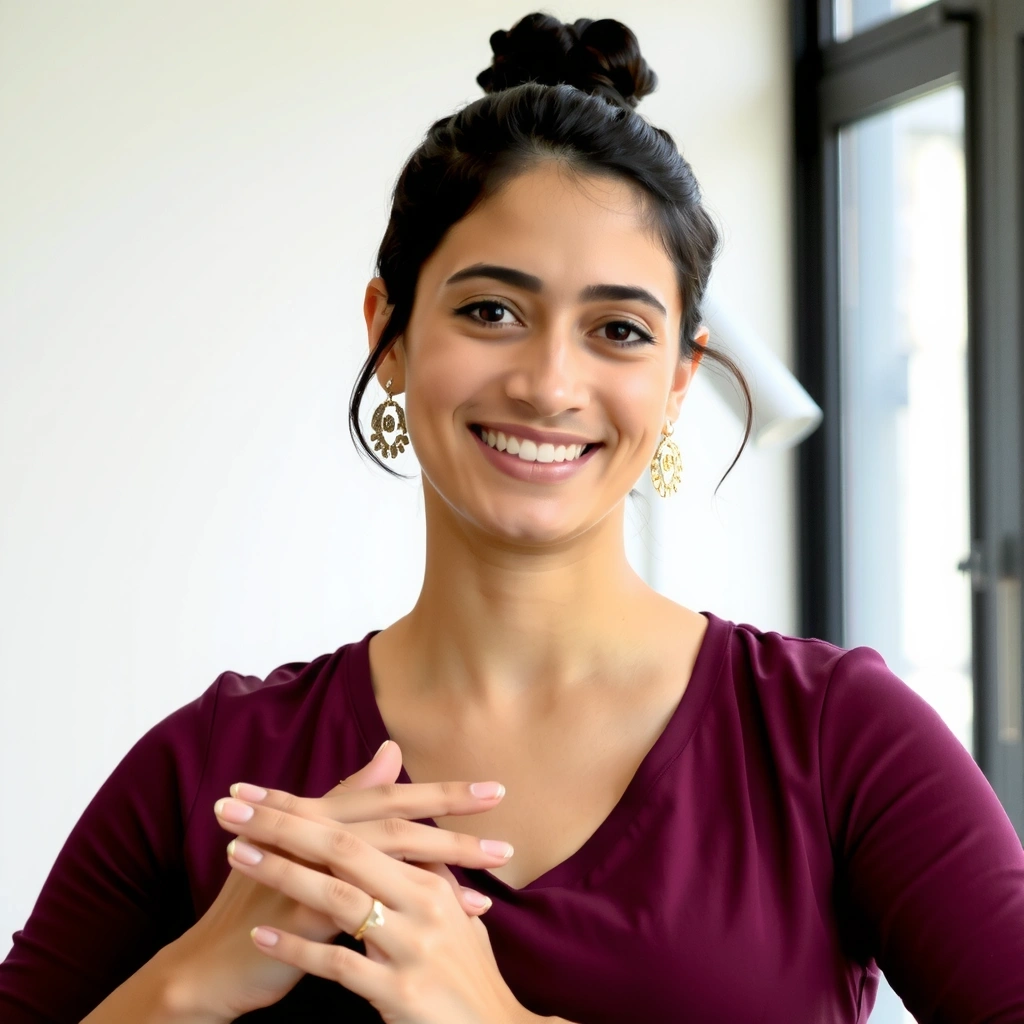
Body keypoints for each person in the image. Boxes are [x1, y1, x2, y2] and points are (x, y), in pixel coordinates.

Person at [2, 11, 1023, 1024]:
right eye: (491, 311)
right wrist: (184, 983)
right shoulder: (213, 773)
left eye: (617, 330)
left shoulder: (837, 741)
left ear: (678, 380)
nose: (547, 383)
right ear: (389, 334)